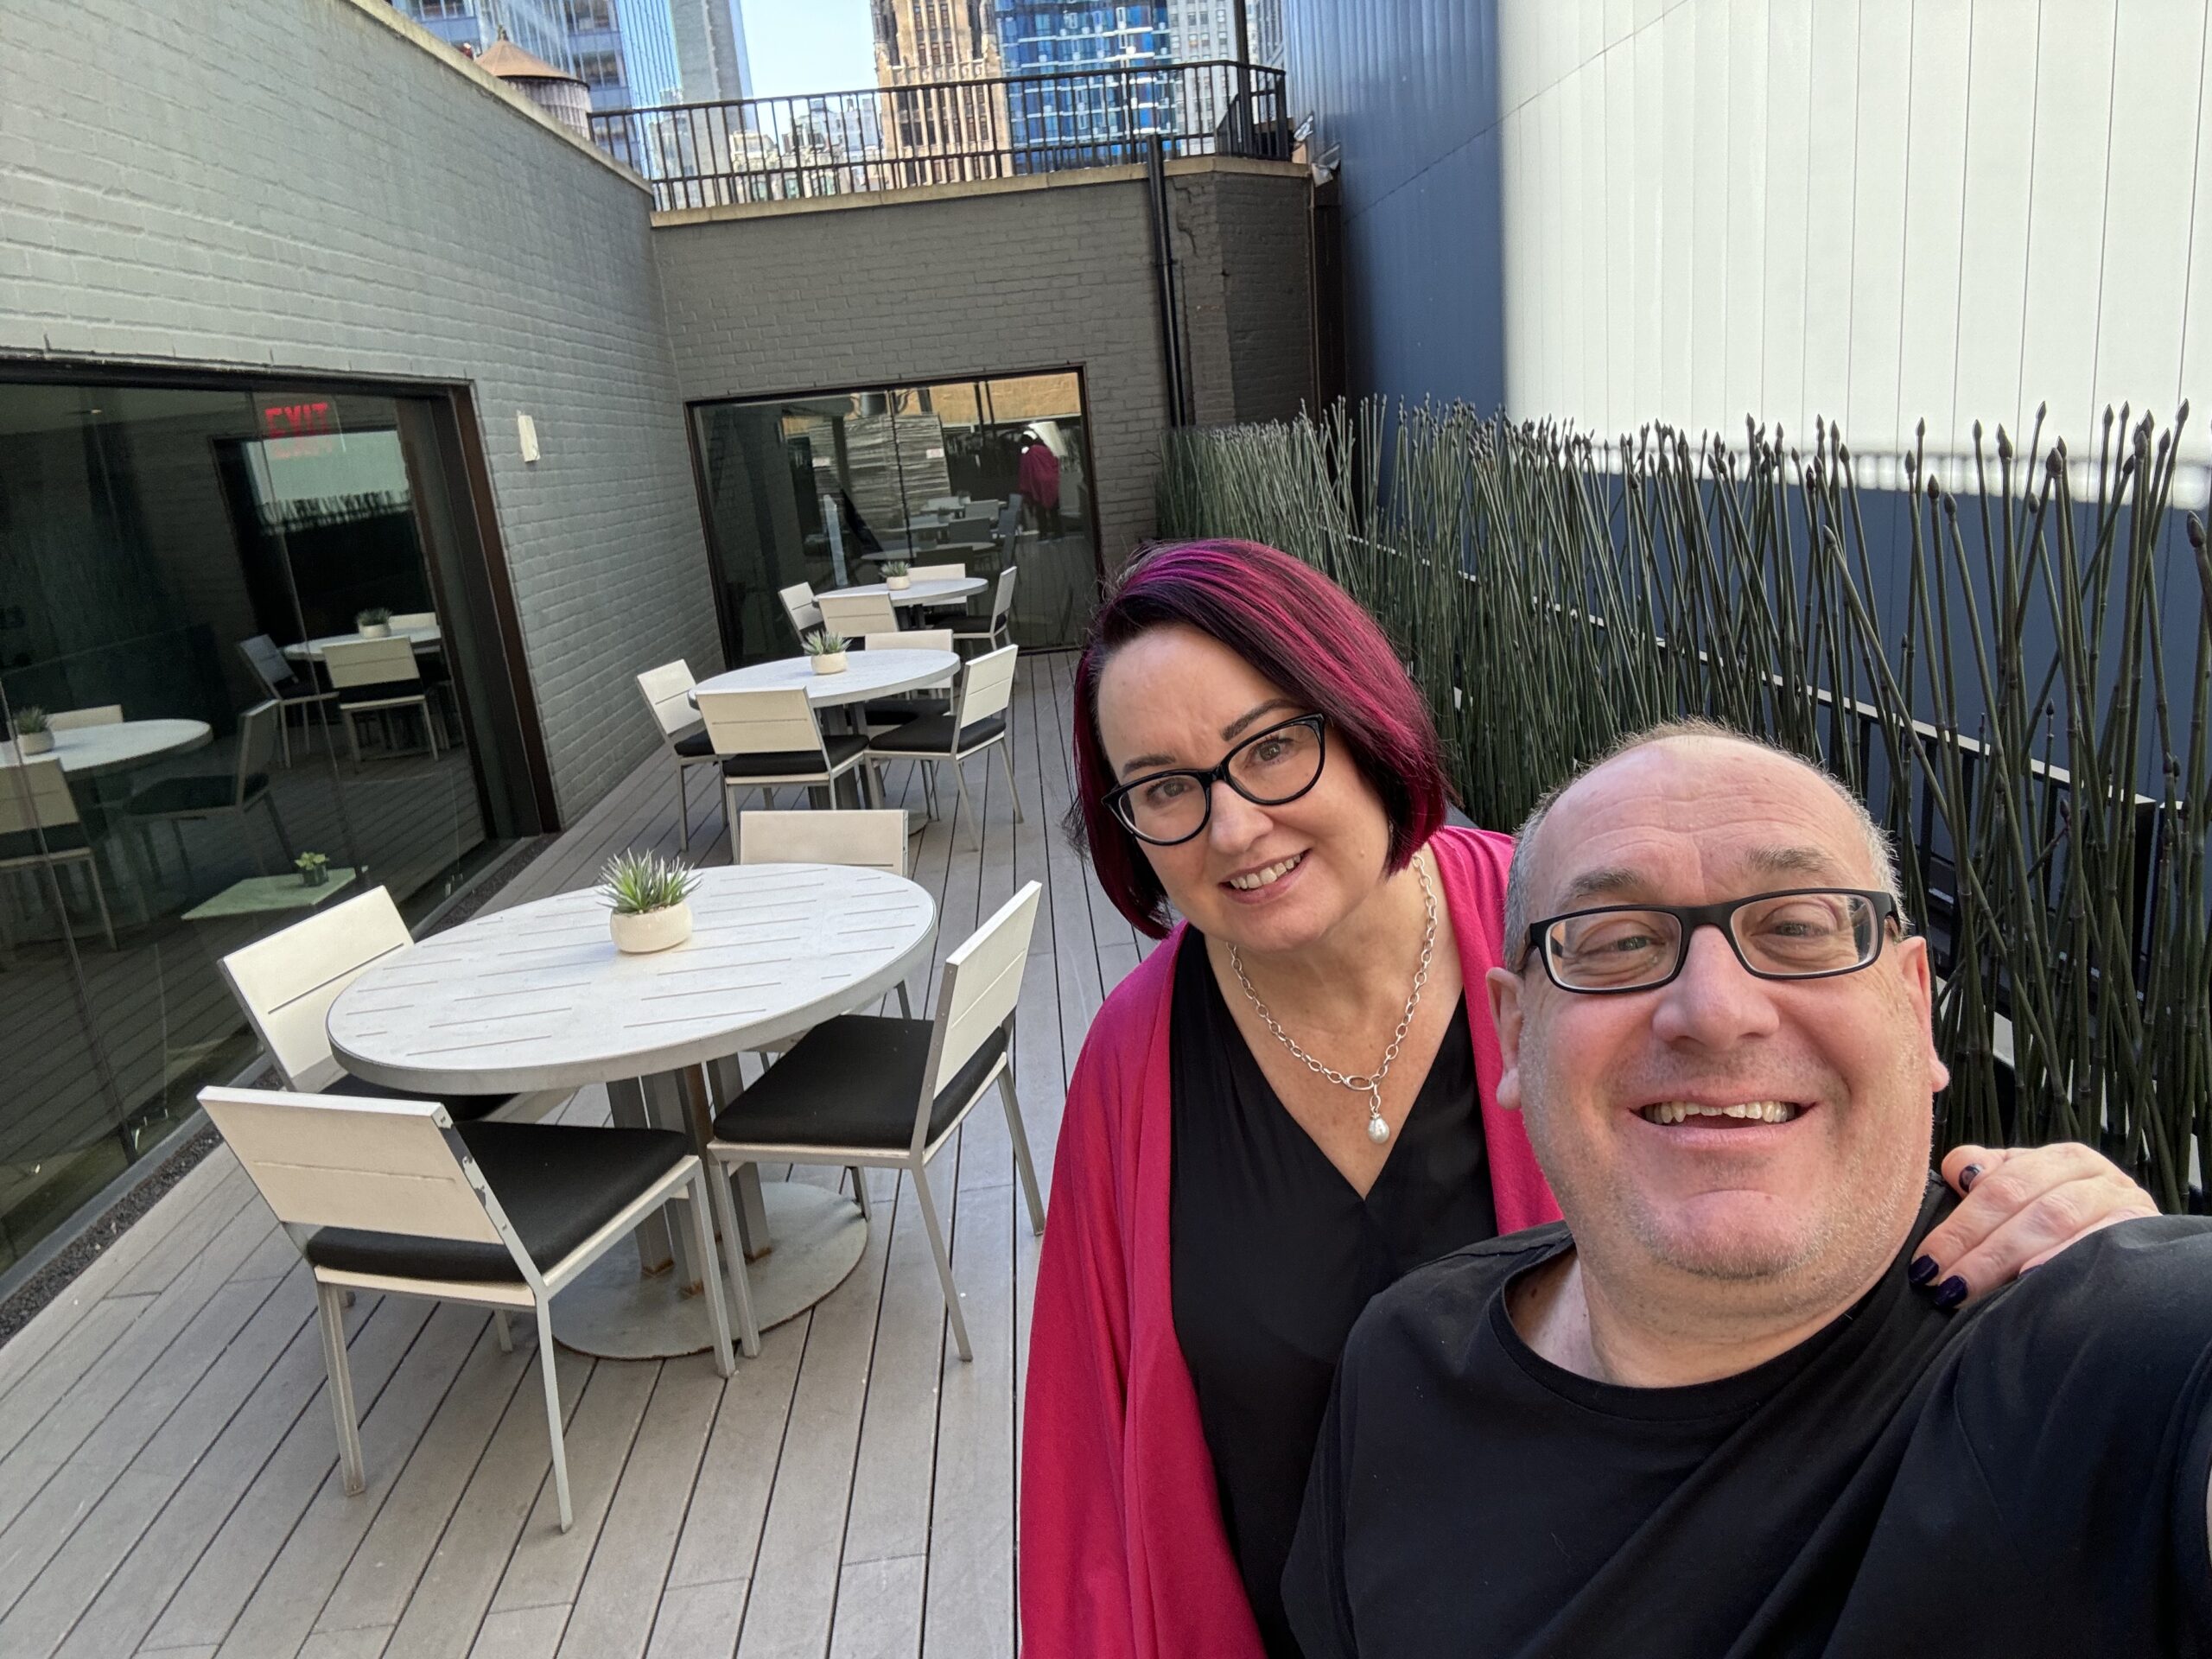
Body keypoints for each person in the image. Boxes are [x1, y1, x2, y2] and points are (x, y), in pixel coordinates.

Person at [1020, 541, 2161, 1659]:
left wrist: (2077, 1237)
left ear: (1362, 725)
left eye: (1270, 749)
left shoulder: (1592, 939)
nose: (1232, 826)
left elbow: (1795, 1137)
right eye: (1163, 788)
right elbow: (1089, 1471)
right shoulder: (1136, 1059)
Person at [1283, 720, 2209, 1659]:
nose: (1716, 1012)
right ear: (1515, 1034)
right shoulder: (1401, 1365)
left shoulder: (2102, 1368)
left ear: (1914, 1005)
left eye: (1798, 929)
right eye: (1616, 942)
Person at [1018, 431, 1062, 535]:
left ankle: (1043, 534)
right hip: (1051, 483)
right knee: (1054, 511)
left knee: (1040, 512)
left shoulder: (1027, 455)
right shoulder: (1046, 450)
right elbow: (1055, 463)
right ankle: (1058, 533)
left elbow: (1025, 473)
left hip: (1037, 486)